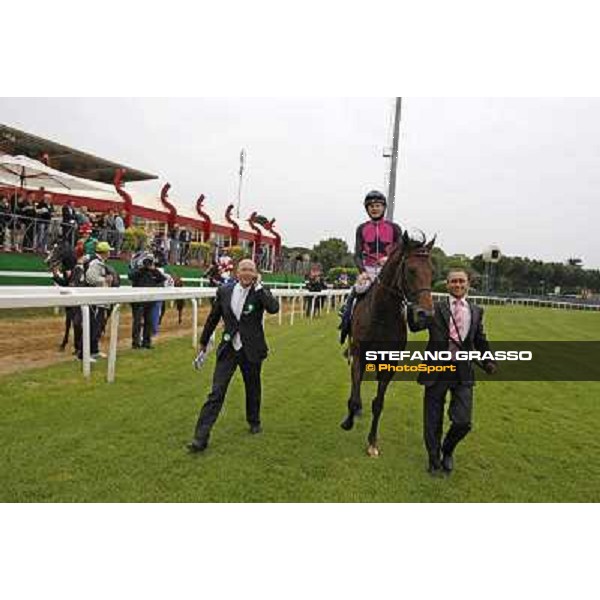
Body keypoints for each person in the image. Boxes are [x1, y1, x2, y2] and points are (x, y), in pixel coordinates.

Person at [188, 259, 280, 453]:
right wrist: (203, 342)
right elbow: (213, 317)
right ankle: (200, 437)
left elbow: (273, 308)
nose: (247, 273)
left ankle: (253, 420)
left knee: (252, 387)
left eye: (251, 270)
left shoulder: (260, 291)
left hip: (252, 350)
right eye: (244, 269)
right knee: (216, 392)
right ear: (237, 272)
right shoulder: (224, 291)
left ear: (256, 273)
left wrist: (260, 287)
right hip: (229, 349)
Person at [417, 268, 497, 476]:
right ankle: (434, 460)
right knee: (432, 420)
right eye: (454, 281)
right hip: (436, 369)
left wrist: (488, 360)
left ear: (468, 284)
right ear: (447, 284)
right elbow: (416, 326)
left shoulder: (477, 311)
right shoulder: (435, 308)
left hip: (463, 372)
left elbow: (479, 339)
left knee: (463, 421)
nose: (458, 285)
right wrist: (411, 309)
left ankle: (447, 450)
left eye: (461, 281)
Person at [338, 190, 403, 343]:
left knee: (403, 297)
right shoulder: (361, 228)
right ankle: (346, 327)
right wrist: (362, 272)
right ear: (367, 209)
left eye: (378, 205)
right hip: (369, 270)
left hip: (389, 271)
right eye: (371, 206)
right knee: (355, 294)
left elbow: (400, 251)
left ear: (384, 207)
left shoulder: (395, 228)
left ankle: (409, 327)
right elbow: (357, 254)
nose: (374, 208)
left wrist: (388, 259)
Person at [84, 241, 115, 360]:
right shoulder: (95, 263)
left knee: (97, 328)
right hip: (96, 301)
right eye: (108, 252)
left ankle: (94, 351)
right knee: (93, 327)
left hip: (101, 301)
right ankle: (86, 354)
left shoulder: (100, 262)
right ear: (104, 252)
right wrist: (104, 280)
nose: (109, 254)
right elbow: (90, 278)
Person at [129, 253, 167, 349]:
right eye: (147, 262)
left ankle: (147, 343)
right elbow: (131, 276)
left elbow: (162, 278)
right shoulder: (137, 270)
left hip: (149, 301)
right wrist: (142, 269)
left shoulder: (153, 272)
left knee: (148, 323)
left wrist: (153, 270)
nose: (148, 264)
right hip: (138, 301)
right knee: (137, 323)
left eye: (149, 262)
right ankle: (135, 343)